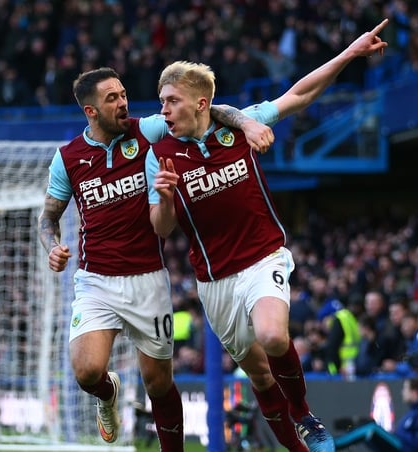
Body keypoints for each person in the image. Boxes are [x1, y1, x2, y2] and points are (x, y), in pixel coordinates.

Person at [146, 19, 389, 452]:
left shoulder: (238, 127)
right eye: (161, 102)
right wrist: (164, 198)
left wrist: (349, 54)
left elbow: (299, 93)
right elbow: (161, 229)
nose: (163, 110)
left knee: (274, 337)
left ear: (201, 103)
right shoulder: (160, 154)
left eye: (171, 101)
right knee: (259, 374)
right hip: (214, 280)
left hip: (263, 258)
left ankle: (304, 416)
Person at [37, 67, 273, 450]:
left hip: (147, 278)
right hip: (96, 280)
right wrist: (52, 245)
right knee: (87, 371)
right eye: (111, 98)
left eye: (123, 94)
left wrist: (245, 121)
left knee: (158, 383)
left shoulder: (146, 131)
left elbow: (208, 110)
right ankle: (108, 392)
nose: (123, 103)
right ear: (90, 111)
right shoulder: (67, 159)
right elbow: (48, 216)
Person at [333, 377, 418, 452]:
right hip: (403, 445)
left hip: (407, 448)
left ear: (414, 392)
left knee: (372, 429)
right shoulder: (416, 410)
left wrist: (403, 439)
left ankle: (333, 444)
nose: (402, 392)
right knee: (370, 432)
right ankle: (355, 428)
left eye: (405, 389)